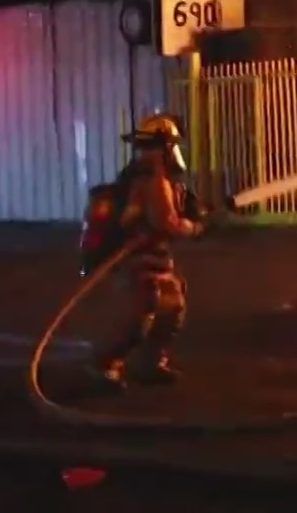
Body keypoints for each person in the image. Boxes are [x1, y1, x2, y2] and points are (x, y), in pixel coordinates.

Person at [91, 112, 204, 389]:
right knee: (143, 312)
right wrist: (193, 227)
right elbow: (165, 222)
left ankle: (151, 363)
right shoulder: (149, 181)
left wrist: (194, 212)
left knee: (173, 306)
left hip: (157, 256)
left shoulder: (162, 181)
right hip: (137, 258)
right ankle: (106, 364)